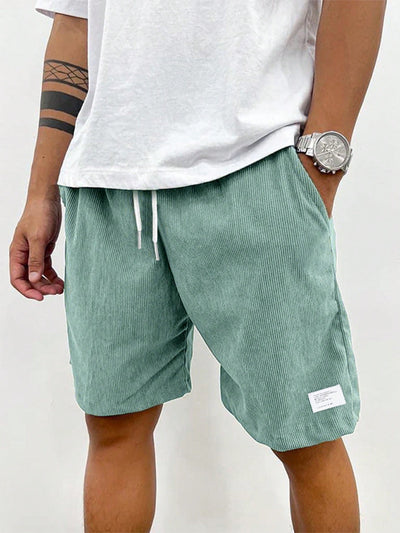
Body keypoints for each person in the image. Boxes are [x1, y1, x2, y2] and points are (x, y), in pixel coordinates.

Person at [9, 0, 386, 531]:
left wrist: (322, 162)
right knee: (113, 426)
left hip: (255, 165)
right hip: (107, 183)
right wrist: (40, 194)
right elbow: (75, 25)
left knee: (307, 433)